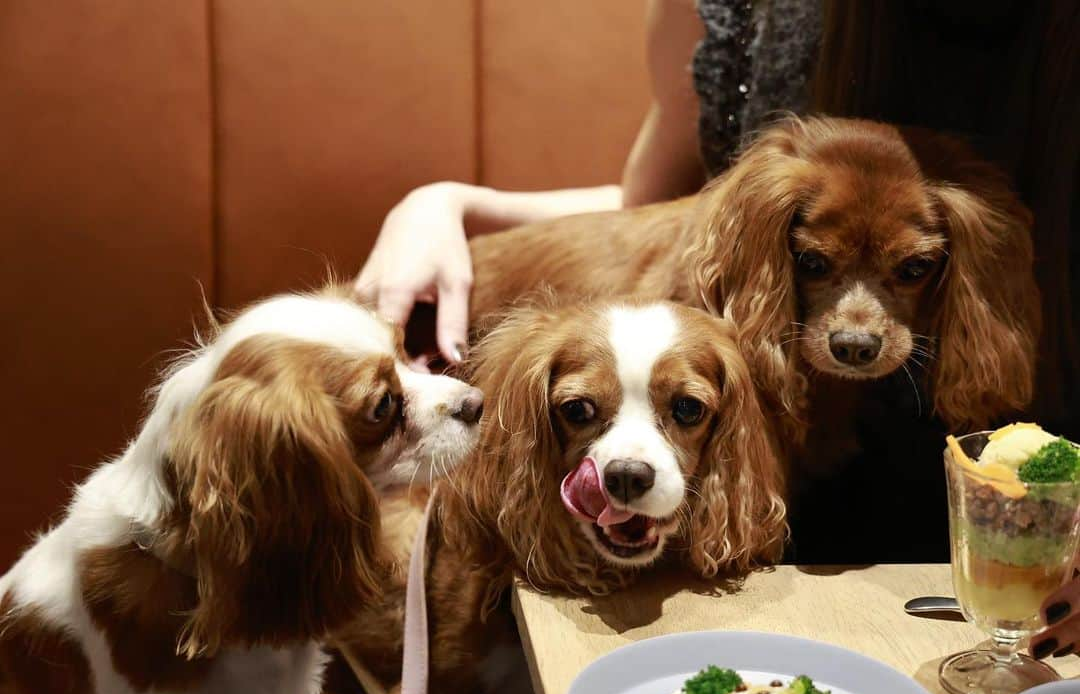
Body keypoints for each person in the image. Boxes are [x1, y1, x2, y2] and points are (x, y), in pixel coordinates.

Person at [353, 0, 1080, 634]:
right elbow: (648, 207)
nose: (858, 330)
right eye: (816, 263)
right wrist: (446, 203)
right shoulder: (741, 42)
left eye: (912, 269)